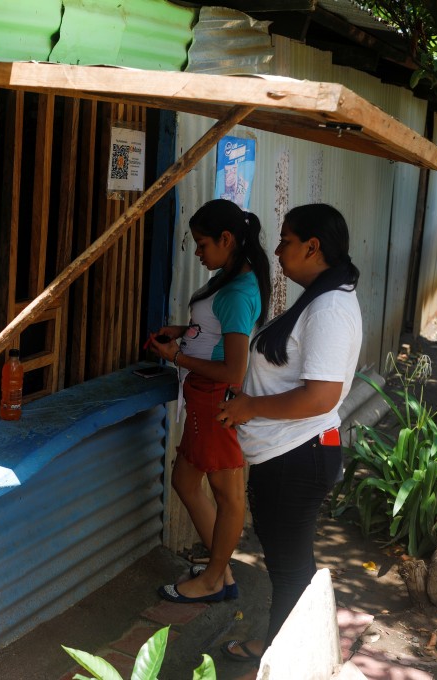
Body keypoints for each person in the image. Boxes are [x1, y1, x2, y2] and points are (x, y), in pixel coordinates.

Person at [215, 203, 362, 664]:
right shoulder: (321, 298)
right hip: (289, 455)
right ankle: (287, 650)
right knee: (288, 563)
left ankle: (286, 659)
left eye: (286, 240)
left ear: (312, 246)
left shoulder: (330, 307)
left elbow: (321, 397)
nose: (277, 251)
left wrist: (249, 407)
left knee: (290, 566)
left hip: (297, 456)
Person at [148, 199, 271, 604]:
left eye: (202, 244)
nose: (197, 252)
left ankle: (215, 579)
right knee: (185, 480)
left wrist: (177, 357)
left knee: (229, 494)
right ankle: (222, 571)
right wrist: (186, 329)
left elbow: (234, 369)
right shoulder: (230, 281)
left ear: (226, 239)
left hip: (216, 399)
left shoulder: (236, 291)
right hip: (203, 398)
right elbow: (218, 333)